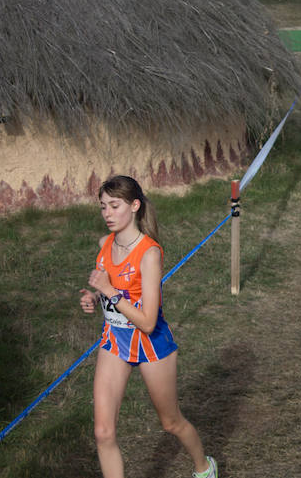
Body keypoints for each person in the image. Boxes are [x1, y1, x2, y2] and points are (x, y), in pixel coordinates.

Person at [78, 176, 217, 478]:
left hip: (151, 343)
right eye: (103, 207)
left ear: (135, 206)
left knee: (171, 422)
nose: (107, 214)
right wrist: (94, 296)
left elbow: (148, 321)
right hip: (114, 341)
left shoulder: (150, 254)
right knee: (103, 432)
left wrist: (110, 292)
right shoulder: (105, 245)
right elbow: (108, 286)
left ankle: (204, 468)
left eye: (115, 206)